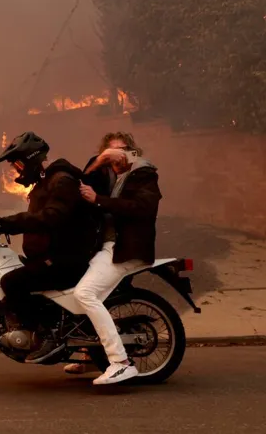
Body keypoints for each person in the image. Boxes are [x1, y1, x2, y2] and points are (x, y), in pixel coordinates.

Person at [0, 131, 99, 363]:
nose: (18, 170)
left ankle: (46, 336)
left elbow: (51, 217)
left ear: (32, 158)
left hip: (66, 258)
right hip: (53, 255)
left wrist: (10, 223)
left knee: (12, 282)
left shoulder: (61, 181)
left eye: (19, 163)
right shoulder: (47, 181)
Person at [70, 133, 162, 385]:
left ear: (133, 152)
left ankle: (120, 363)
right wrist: (99, 162)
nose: (118, 157)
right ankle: (90, 353)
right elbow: (81, 184)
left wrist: (99, 200)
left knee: (85, 294)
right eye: (112, 153)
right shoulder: (110, 174)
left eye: (123, 151)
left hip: (126, 249)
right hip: (108, 246)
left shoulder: (144, 174)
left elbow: (142, 207)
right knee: (76, 292)